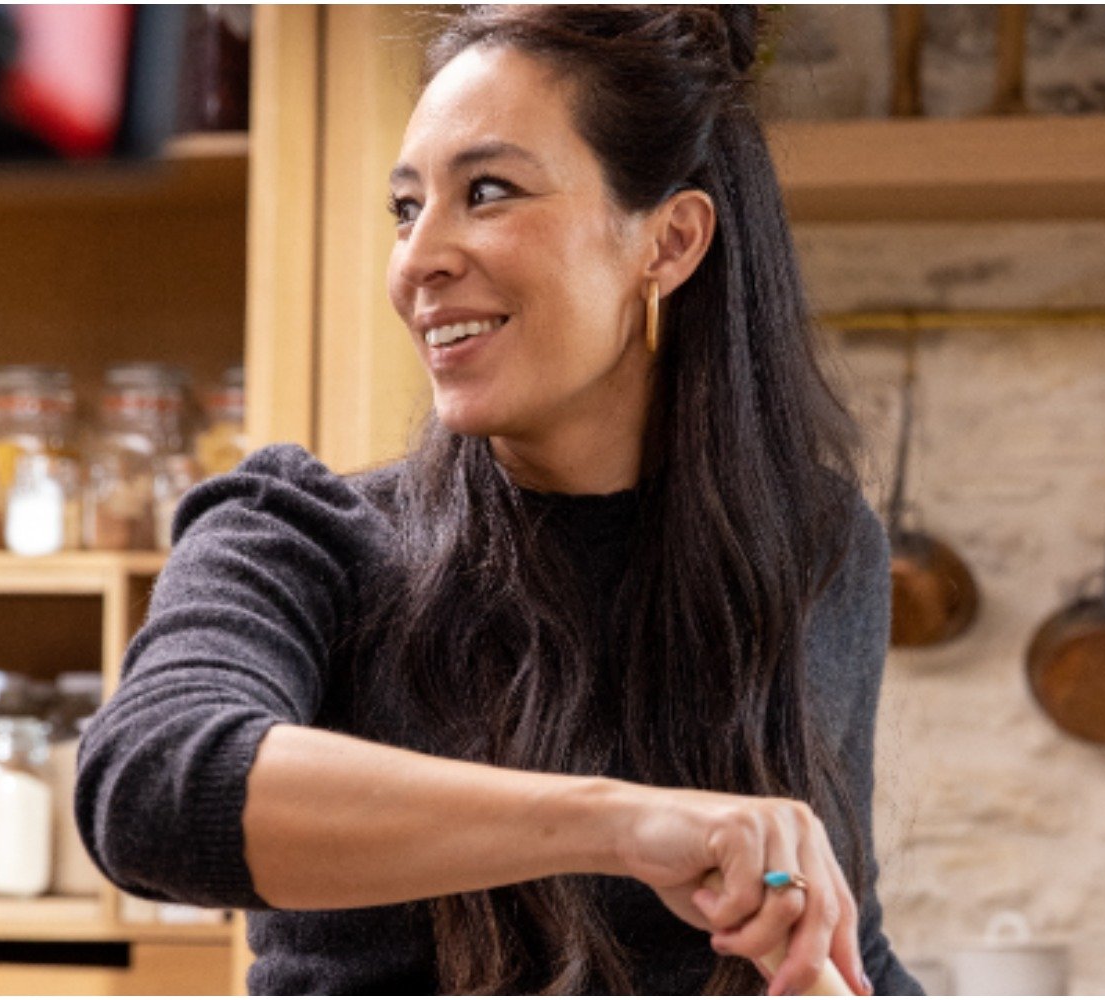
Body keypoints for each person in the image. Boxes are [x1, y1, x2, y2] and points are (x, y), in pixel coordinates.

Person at [74, 6, 921, 995]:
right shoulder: (298, 535)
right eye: (405, 208)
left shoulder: (814, 549)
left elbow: (840, 937)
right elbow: (150, 787)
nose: (415, 259)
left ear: (670, 241)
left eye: (486, 192)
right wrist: (624, 823)